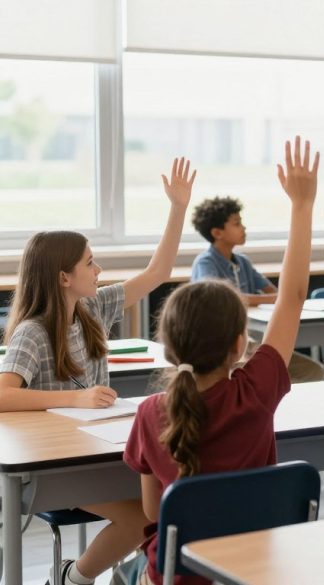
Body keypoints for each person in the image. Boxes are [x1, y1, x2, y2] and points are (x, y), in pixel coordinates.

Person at [122, 136, 320, 585]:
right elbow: (292, 298)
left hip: (176, 576)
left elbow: (155, 510)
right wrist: (301, 206)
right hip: (255, 570)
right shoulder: (257, 390)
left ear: (169, 347)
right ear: (238, 345)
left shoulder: (151, 413)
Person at [0, 159, 196, 585]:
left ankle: (125, 574)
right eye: (90, 263)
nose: (98, 270)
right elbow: (3, 395)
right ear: (64, 276)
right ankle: (73, 579)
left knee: (159, 506)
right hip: (56, 470)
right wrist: (75, 397)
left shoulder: (91, 308)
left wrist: (178, 208)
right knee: (140, 520)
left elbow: (158, 273)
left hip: (100, 451)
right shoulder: (32, 332)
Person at [190, 195, 324, 383]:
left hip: (251, 340)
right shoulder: (205, 263)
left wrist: (278, 297)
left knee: (312, 371)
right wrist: (272, 299)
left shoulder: (242, 261)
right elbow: (222, 300)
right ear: (217, 233)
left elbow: (272, 291)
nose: (244, 228)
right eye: (237, 224)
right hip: (222, 347)